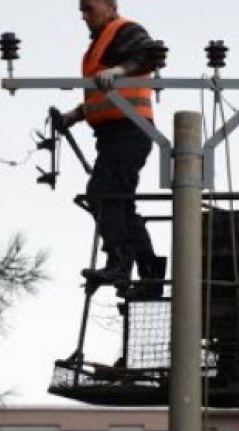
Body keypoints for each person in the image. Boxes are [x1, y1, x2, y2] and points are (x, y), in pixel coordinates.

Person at [63, 0, 166, 300]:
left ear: (110, 5)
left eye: (89, 8)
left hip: (130, 131)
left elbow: (149, 55)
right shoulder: (99, 46)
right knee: (120, 204)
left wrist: (120, 70)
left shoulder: (125, 31)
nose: (84, 16)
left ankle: (119, 263)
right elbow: (102, 94)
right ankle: (149, 273)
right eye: (81, 10)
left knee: (102, 194)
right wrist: (74, 116)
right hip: (113, 135)